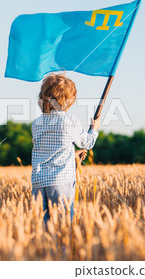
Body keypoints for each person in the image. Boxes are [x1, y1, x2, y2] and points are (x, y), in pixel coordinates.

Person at [31, 73, 100, 228]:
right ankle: (62, 252)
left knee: (42, 228)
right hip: (61, 182)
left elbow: (49, 151)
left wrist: (73, 153)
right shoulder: (70, 121)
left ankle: (45, 252)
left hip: (38, 183)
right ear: (69, 101)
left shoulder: (36, 124)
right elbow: (87, 143)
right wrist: (94, 129)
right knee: (63, 227)